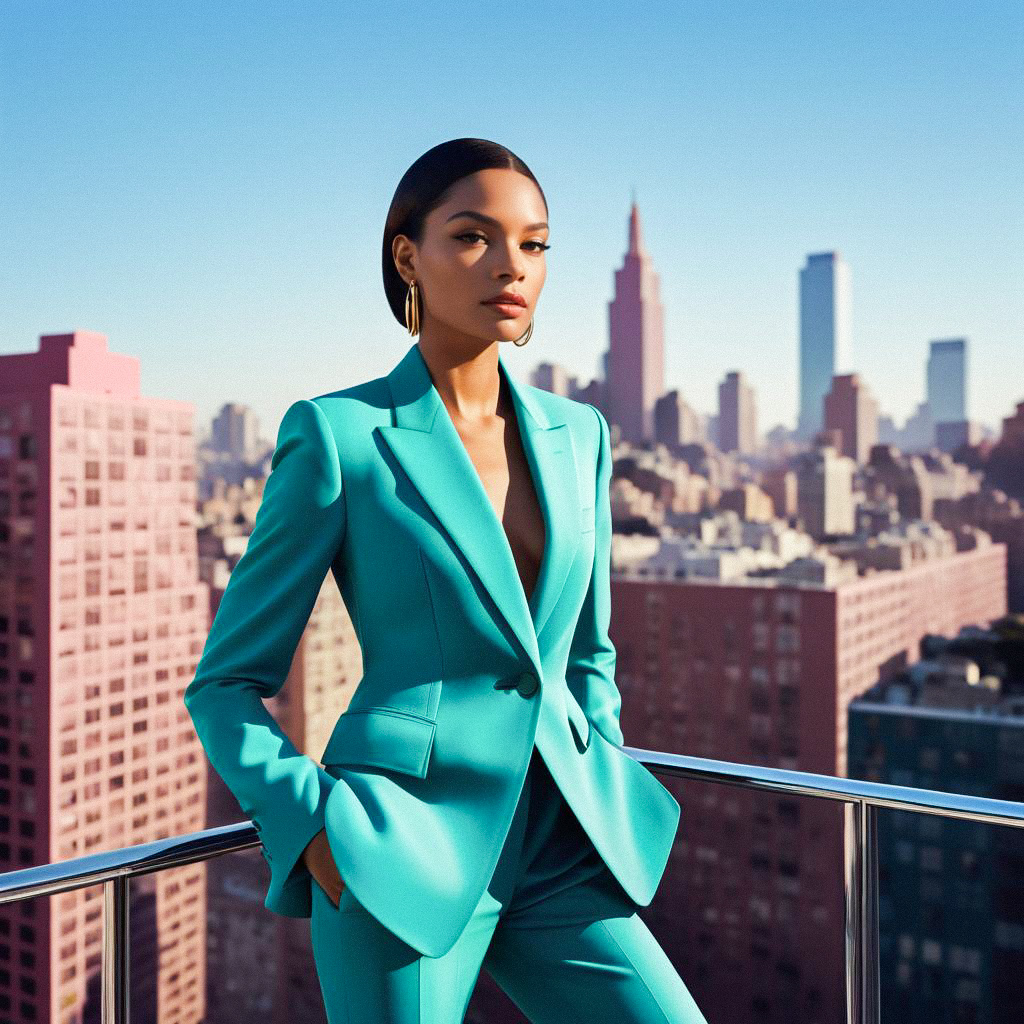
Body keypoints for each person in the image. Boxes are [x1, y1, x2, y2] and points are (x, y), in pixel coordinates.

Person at [184, 137, 709, 1023]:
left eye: (534, 244)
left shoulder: (580, 435)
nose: (511, 266)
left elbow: (589, 655)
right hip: (396, 850)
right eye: (473, 237)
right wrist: (313, 827)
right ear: (408, 257)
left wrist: (602, 767)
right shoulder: (341, 434)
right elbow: (224, 685)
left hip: (560, 843)